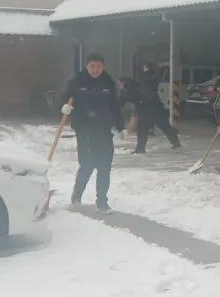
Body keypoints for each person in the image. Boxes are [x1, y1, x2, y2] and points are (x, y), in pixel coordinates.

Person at [62, 53, 124, 214]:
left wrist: (121, 126)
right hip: (84, 129)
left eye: (99, 66)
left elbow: (115, 107)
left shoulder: (108, 83)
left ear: (103, 67)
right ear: (87, 66)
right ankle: (77, 196)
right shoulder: (77, 82)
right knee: (87, 164)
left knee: (104, 165)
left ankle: (102, 202)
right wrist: (64, 107)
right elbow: (64, 99)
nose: (95, 69)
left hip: (103, 130)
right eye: (92, 66)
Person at [126, 62, 182, 153]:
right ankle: (176, 144)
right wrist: (162, 69)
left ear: (145, 67)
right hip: (156, 106)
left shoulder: (142, 78)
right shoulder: (152, 77)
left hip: (146, 107)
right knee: (165, 126)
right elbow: (156, 79)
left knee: (143, 128)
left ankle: (140, 149)